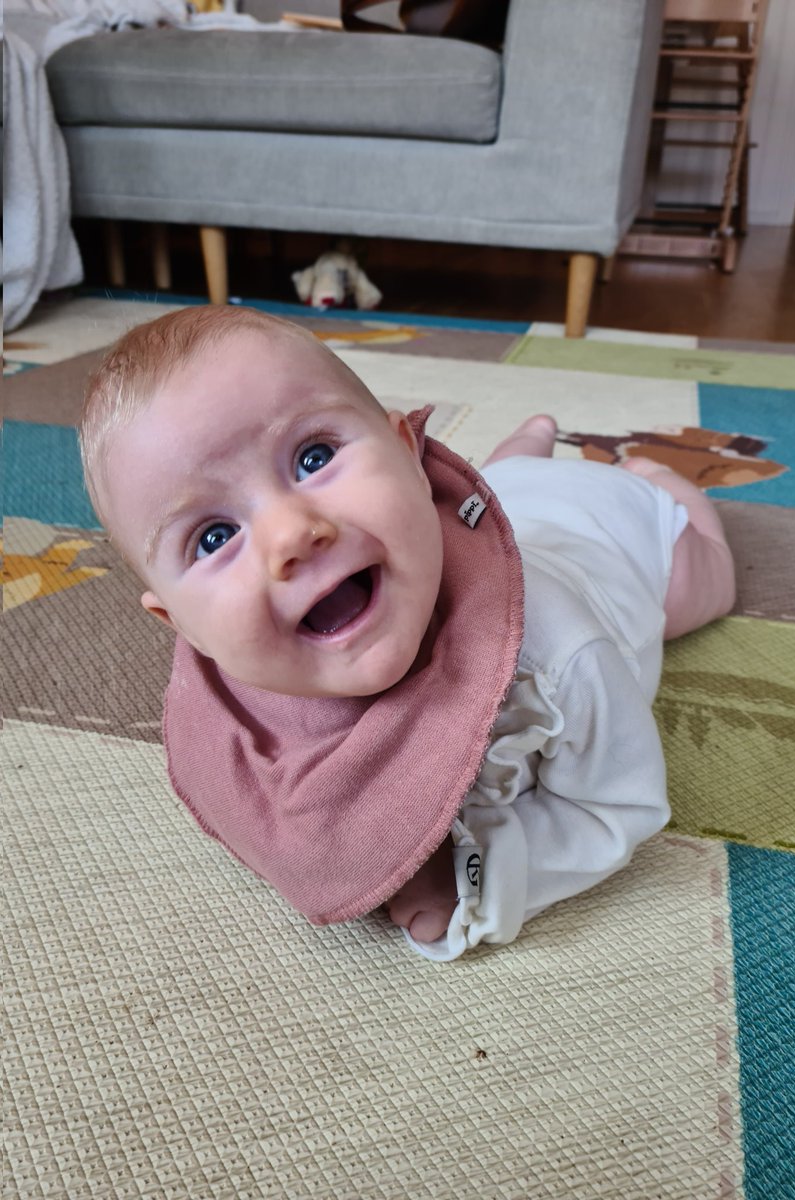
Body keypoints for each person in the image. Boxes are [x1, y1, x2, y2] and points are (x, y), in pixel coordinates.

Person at [79, 305, 736, 961]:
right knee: (509, 481)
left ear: (409, 453)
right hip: (508, 493)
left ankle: (666, 482)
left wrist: (484, 872)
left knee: (703, 592)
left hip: (615, 532)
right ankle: (525, 447)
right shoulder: (233, 715)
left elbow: (619, 807)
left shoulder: (558, 655)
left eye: (313, 457)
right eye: (214, 537)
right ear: (179, 624)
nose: (291, 535)